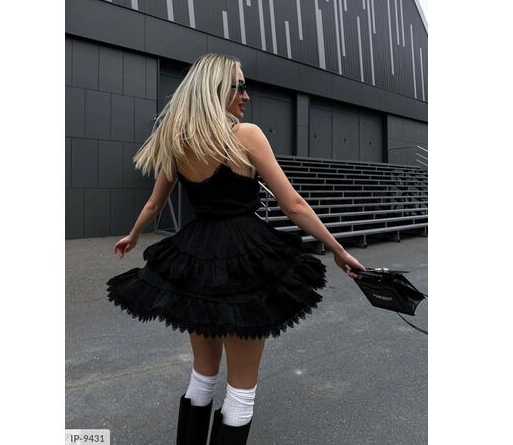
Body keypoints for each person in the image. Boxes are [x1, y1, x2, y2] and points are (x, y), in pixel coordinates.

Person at [106, 53, 365, 445]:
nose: (246, 95)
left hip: (195, 256)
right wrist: (338, 249)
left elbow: (154, 205)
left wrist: (133, 234)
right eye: (239, 87)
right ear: (215, 90)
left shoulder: (178, 142)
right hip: (246, 257)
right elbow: (293, 205)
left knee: (202, 375)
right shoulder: (246, 136)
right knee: (242, 388)